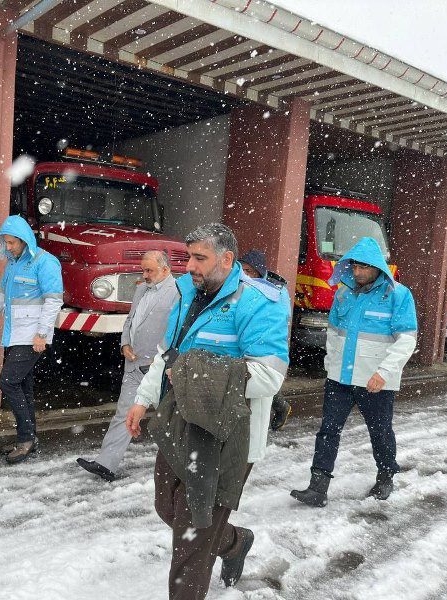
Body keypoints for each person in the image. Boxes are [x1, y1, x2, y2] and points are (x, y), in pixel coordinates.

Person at [126, 224, 289, 599]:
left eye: (200, 258)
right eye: (188, 258)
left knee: (192, 536)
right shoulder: (186, 293)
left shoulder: (257, 301)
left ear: (227, 259)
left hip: (228, 432)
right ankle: (234, 542)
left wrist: (194, 372)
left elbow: (268, 376)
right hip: (178, 420)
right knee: (167, 506)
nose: (191, 267)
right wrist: (144, 398)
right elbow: (169, 355)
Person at [290, 237, 417, 506]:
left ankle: (385, 476)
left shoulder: (398, 295)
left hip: (376, 380)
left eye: (363, 267)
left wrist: (383, 372)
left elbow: (406, 339)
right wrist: (330, 366)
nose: (357, 273)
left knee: (380, 431)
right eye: (354, 267)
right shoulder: (343, 293)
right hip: (340, 377)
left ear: (377, 268)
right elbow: (334, 334)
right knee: (328, 430)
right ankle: (318, 486)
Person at [77, 250, 178, 481]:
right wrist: (124, 344)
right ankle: (106, 464)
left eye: (149, 270)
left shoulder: (178, 293)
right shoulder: (142, 288)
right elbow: (131, 320)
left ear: (165, 270)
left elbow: (176, 329)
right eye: (143, 269)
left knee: (170, 419)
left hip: (159, 367)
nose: (144, 275)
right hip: (133, 363)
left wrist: (163, 357)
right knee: (124, 413)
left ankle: (179, 469)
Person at [0, 215, 63, 464]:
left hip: (32, 336)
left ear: (25, 240)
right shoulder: (12, 264)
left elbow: (53, 300)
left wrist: (42, 334)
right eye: (6, 242)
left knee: (8, 382)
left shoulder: (45, 262)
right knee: (23, 385)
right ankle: (29, 438)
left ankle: (25, 439)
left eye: (13, 243)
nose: (9, 247)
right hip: (15, 334)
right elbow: (2, 295)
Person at [240, 250, 292, 431]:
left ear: (259, 272)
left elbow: (281, 318)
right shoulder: (240, 286)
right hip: (245, 343)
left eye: (248, 271)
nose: (244, 275)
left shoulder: (275, 290)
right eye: (241, 270)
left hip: (267, 344)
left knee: (263, 387)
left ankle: (281, 407)